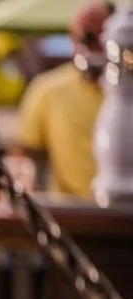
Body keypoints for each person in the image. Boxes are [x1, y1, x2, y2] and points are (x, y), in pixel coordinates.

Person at [14, 1, 113, 198]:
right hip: (69, 214)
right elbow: (22, 155)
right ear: (73, 38)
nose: (95, 48)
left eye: (102, 37)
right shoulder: (48, 89)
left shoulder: (124, 92)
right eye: (86, 37)